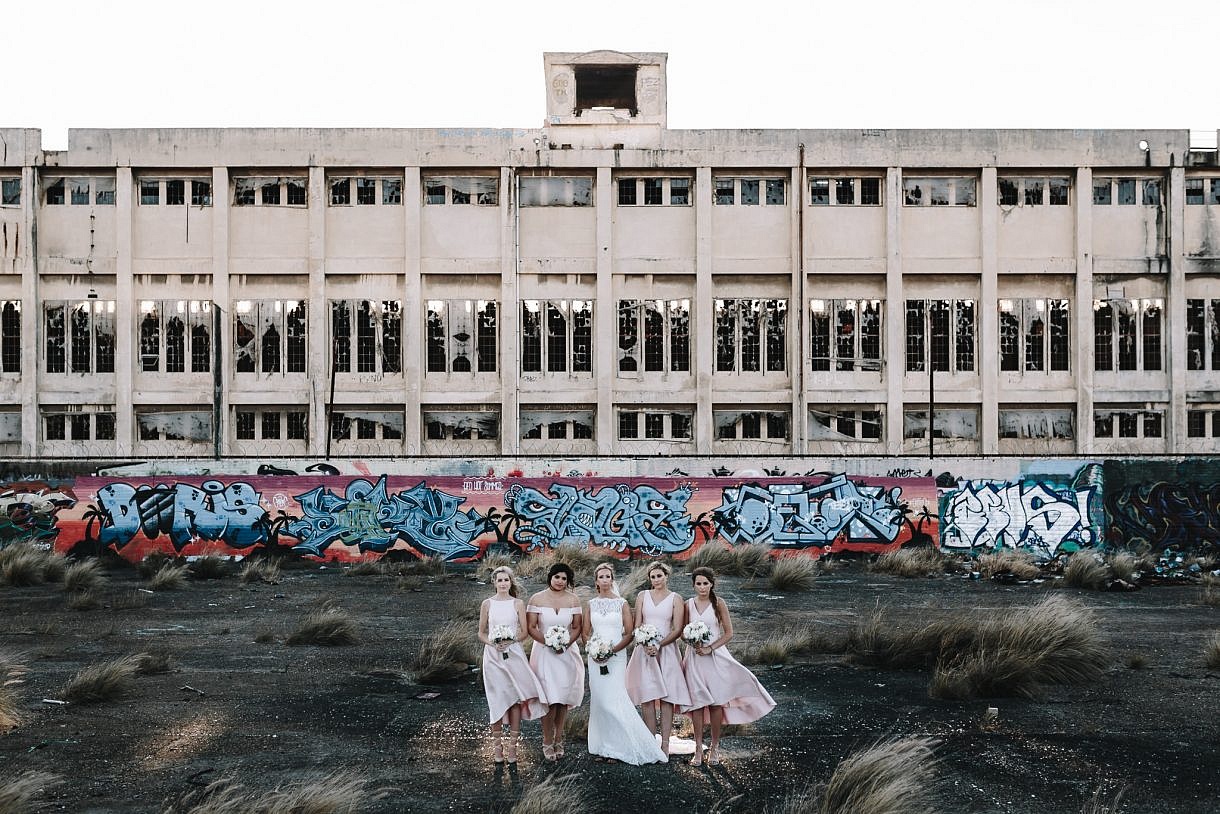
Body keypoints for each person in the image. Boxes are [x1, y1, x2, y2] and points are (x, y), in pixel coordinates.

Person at [681, 566, 776, 767]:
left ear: (712, 584)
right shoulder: (687, 604)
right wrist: (692, 641)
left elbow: (729, 633)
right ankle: (698, 749)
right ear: (693, 585)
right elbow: (682, 631)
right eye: (698, 583)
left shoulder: (719, 604)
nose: (702, 587)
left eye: (705, 583)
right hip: (694, 659)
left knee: (716, 704)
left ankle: (714, 747)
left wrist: (710, 648)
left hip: (715, 659)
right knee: (697, 705)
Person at [583, 562, 667, 765]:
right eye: (601, 577)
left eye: (608, 576)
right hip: (595, 658)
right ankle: (603, 746)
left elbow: (629, 633)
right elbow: (586, 633)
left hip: (617, 656)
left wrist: (611, 651)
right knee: (600, 701)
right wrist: (594, 650)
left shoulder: (621, 603)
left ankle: (620, 747)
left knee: (615, 698)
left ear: (612, 580)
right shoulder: (590, 604)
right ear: (596, 581)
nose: (604, 580)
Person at [477, 565, 547, 765]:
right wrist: (493, 642)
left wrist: (510, 640)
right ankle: (497, 748)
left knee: (516, 699)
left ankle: (512, 748)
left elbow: (524, 632)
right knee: (497, 699)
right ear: (494, 583)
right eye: (499, 580)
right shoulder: (487, 604)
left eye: (506, 580)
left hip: (514, 654)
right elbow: (481, 632)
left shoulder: (517, 603)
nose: (503, 583)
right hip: (493, 657)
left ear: (511, 582)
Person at [624, 561, 691, 757]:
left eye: (659, 576)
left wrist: (659, 645)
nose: (656, 580)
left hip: (666, 650)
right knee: (647, 696)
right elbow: (637, 625)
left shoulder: (675, 598)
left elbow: (677, 628)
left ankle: (666, 743)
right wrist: (644, 643)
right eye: (652, 577)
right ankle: (650, 741)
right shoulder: (642, 596)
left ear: (666, 576)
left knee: (666, 698)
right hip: (644, 651)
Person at [527, 562, 584, 761]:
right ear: (550, 577)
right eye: (557, 577)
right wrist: (549, 643)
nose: (560, 581)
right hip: (544, 654)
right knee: (549, 699)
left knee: (562, 699)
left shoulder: (573, 599)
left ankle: (559, 739)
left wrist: (566, 644)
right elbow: (532, 627)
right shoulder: (537, 598)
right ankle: (546, 740)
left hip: (567, 654)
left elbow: (577, 627)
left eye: (564, 579)